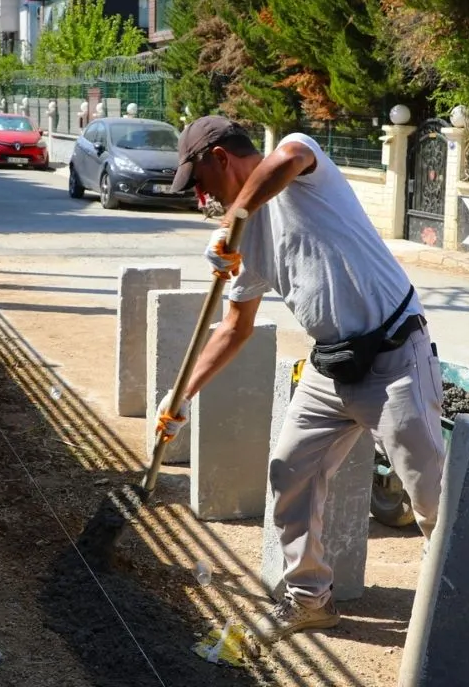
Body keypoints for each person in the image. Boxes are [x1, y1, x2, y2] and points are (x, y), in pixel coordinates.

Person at [154, 116, 446, 649]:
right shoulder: (246, 242)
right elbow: (233, 329)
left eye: (199, 182)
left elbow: (286, 161)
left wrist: (236, 216)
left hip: (394, 358)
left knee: (433, 500)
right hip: (331, 366)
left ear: (221, 157)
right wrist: (180, 395)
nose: (201, 198)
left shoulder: (299, 160)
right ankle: (311, 601)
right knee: (290, 474)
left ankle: (450, 615)